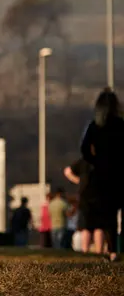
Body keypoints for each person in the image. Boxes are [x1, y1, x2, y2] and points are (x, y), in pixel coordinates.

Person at [81, 87, 124, 262]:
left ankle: (112, 250)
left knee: (108, 215)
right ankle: (117, 249)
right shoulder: (121, 125)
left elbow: (84, 149)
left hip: (102, 175)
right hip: (120, 173)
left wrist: (96, 161)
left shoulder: (94, 127)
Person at [64, 159, 105, 253]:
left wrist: (79, 181)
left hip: (85, 195)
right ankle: (99, 252)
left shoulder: (83, 161)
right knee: (99, 226)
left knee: (86, 227)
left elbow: (67, 171)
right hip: (100, 195)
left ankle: (85, 252)